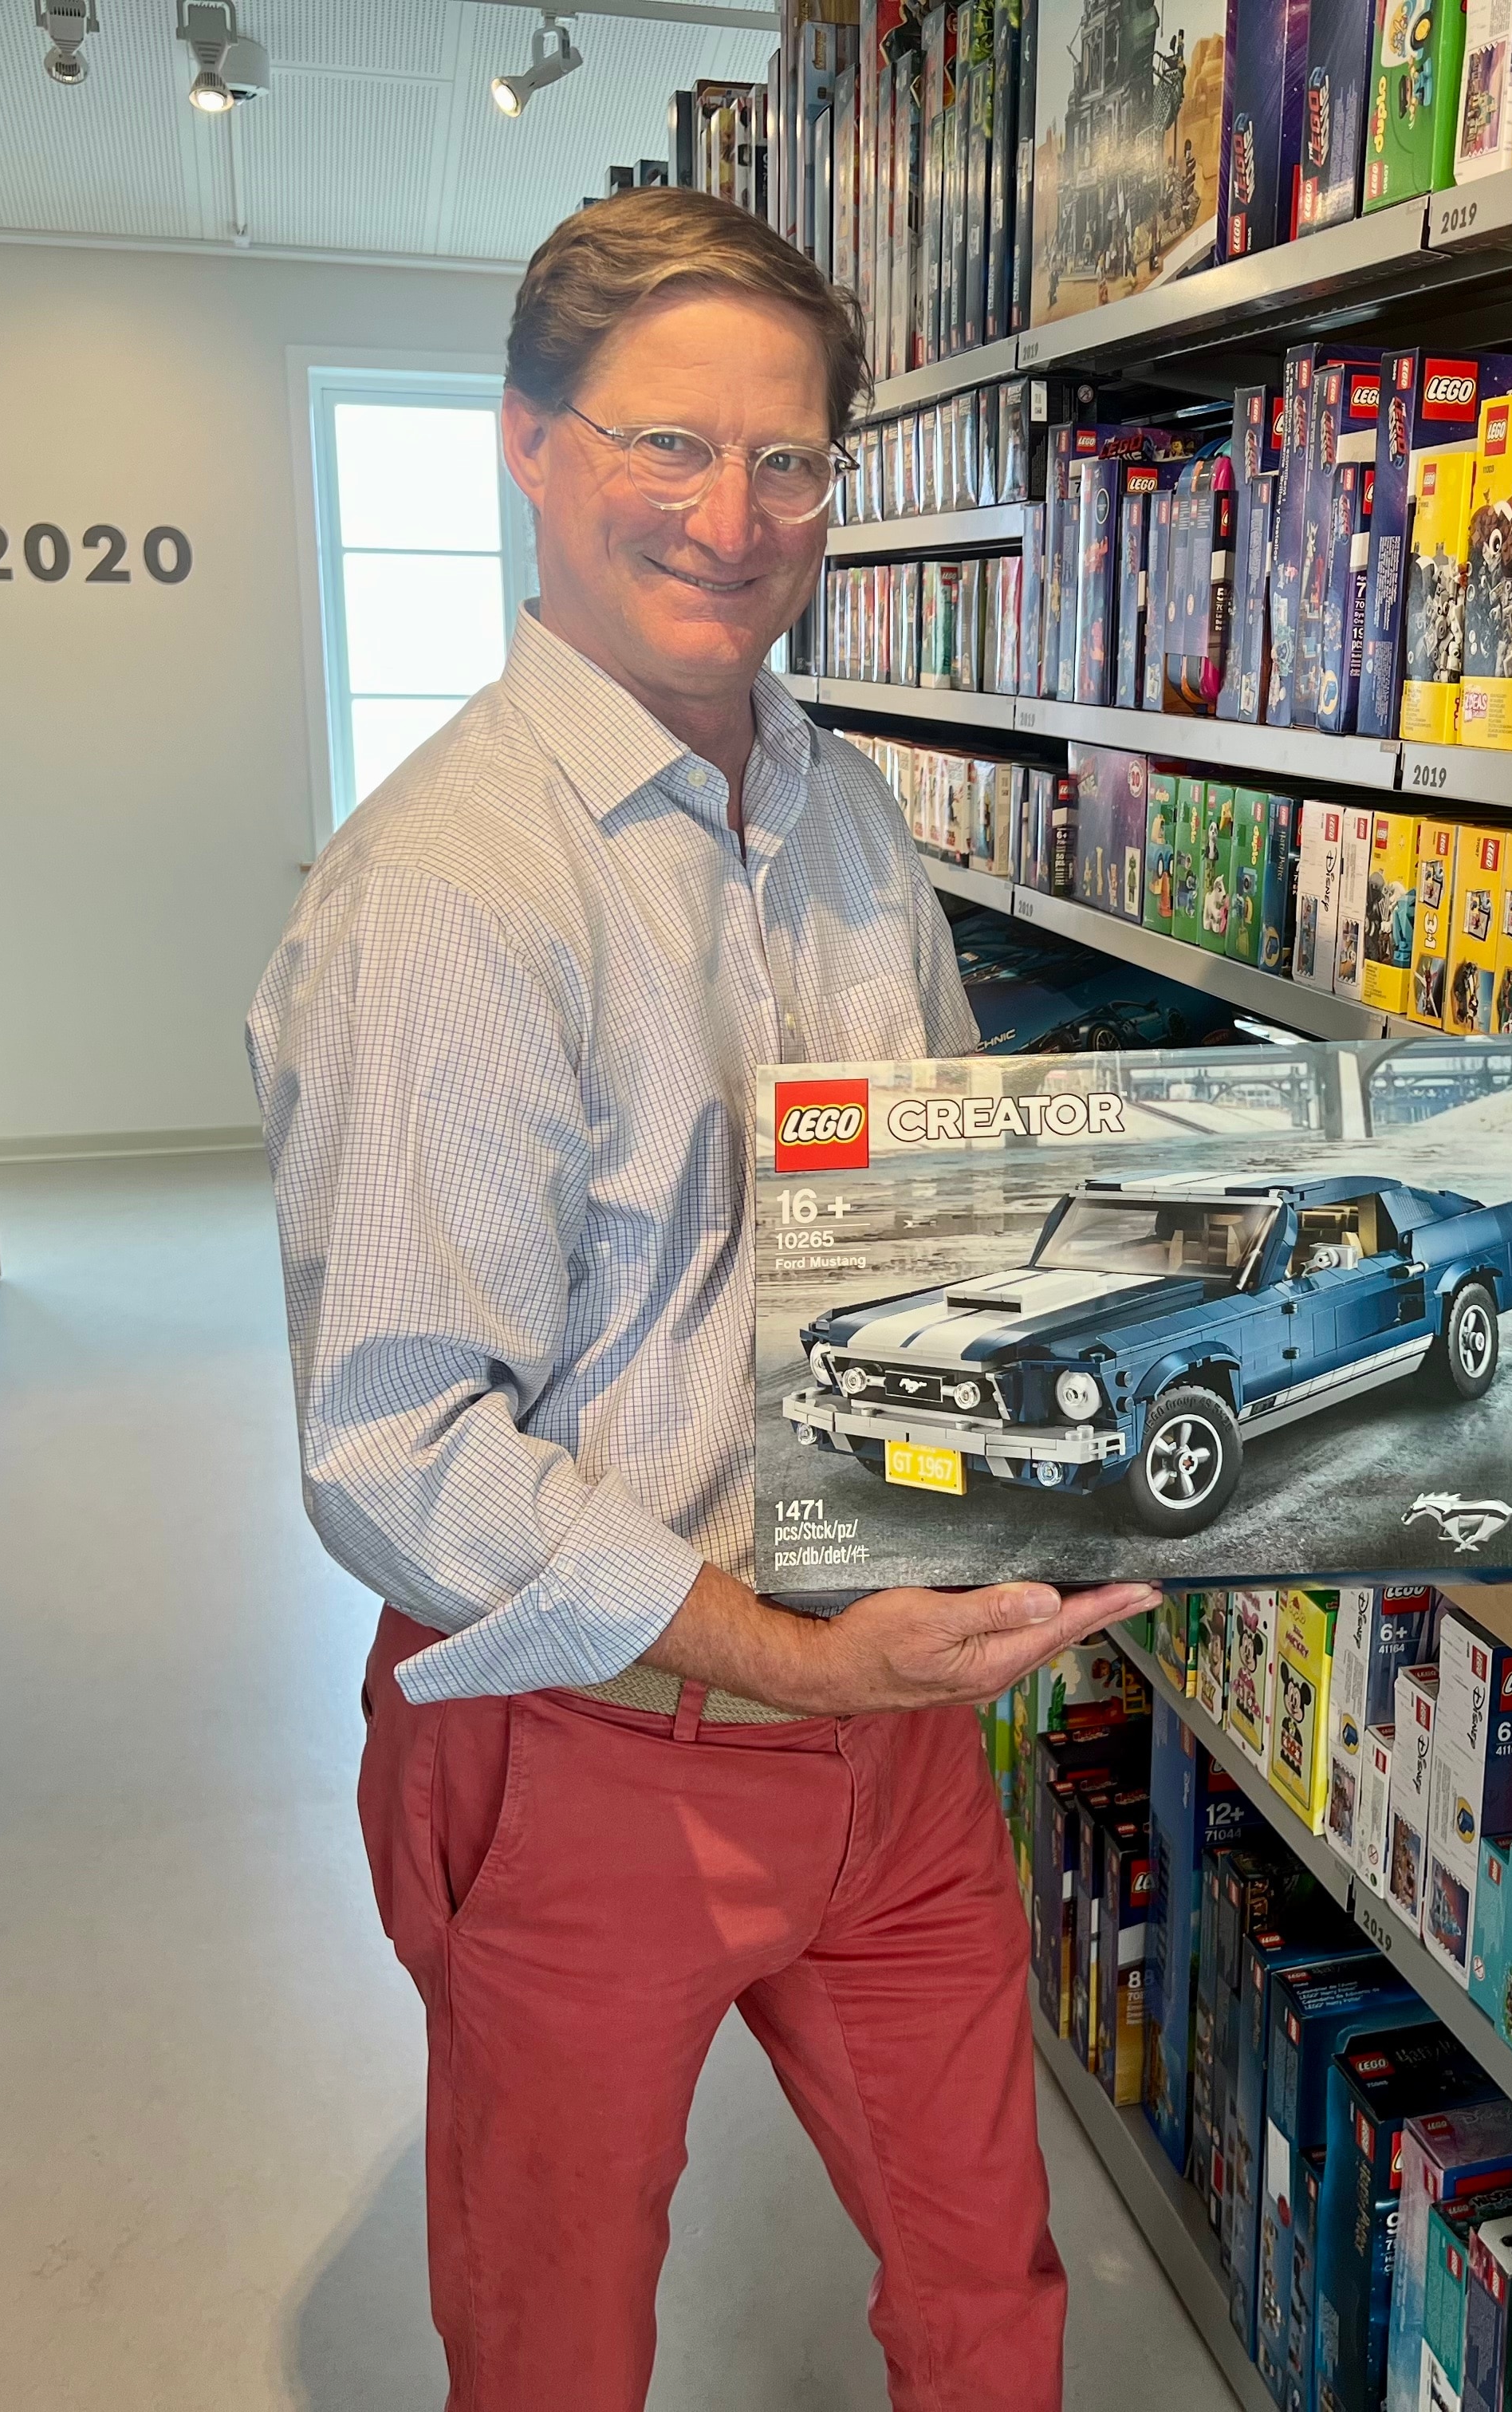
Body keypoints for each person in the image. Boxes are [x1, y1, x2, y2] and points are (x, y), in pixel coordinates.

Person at [246, 187, 1159, 2412]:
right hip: (593, 1759)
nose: (728, 515)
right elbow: (395, 1450)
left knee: (991, 2292)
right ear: (531, 447)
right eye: (665, 444)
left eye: (785, 460)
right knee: (553, 2350)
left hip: (894, 1746)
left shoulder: (844, 813)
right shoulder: (447, 894)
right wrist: (770, 1647)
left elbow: (930, 1227)